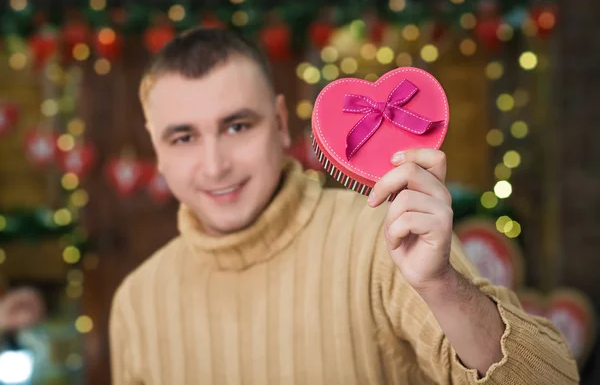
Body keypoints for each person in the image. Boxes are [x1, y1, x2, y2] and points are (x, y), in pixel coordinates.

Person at [109, 27, 579, 384]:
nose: (214, 166)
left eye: (237, 127)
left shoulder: (384, 235)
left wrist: (441, 285)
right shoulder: (136, 300)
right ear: (157, 148)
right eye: (184, 137)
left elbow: (554, 376)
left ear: (277, 124)